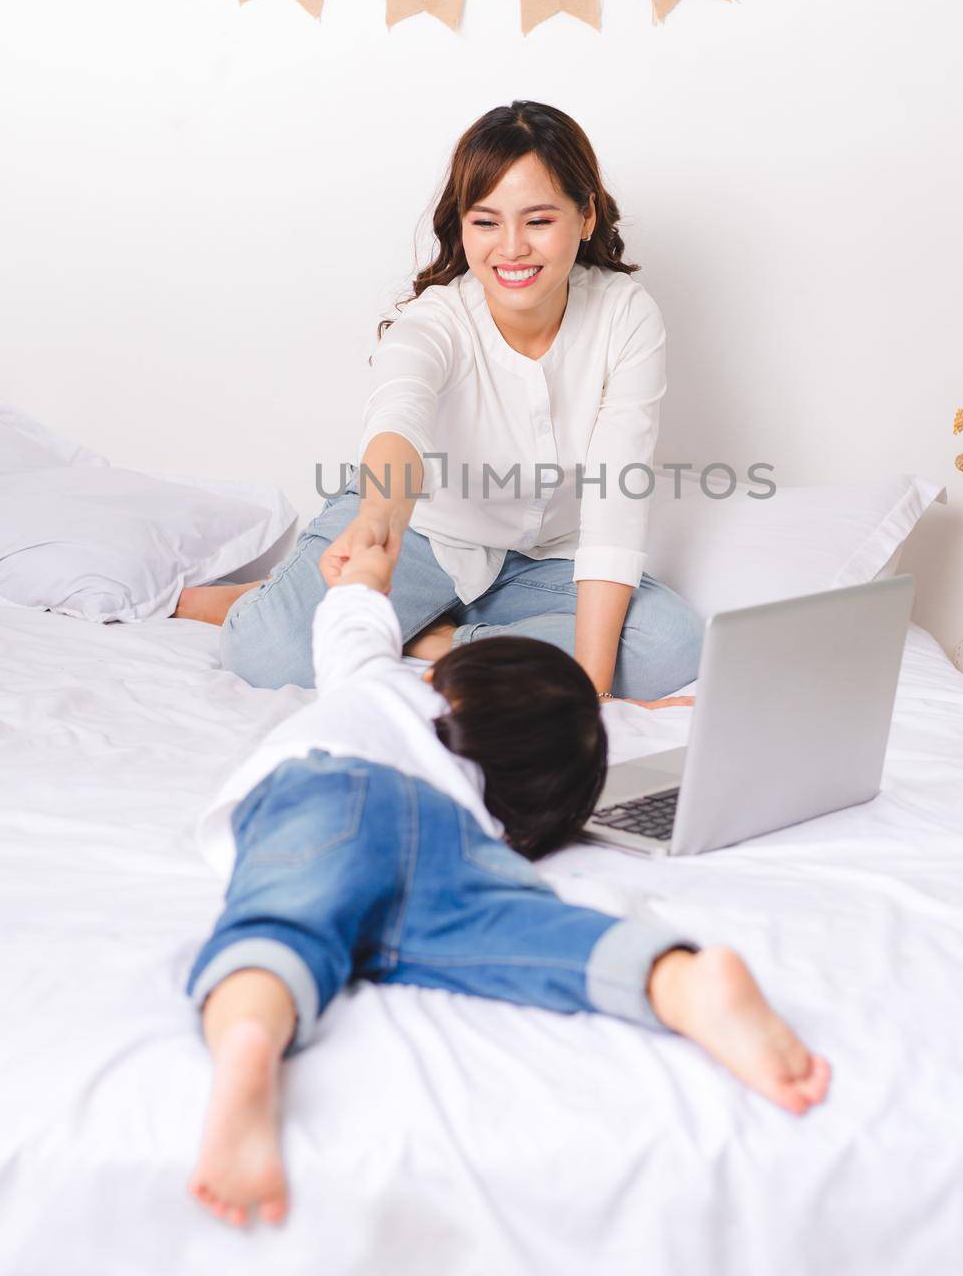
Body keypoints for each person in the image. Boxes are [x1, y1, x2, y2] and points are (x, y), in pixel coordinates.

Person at [186, 524, 831, 1229]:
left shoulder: (376, 683)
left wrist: (365, 574)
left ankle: (251, 1038)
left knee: (285, 918)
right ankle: (676, 982)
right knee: (524, 929)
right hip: (443, 831)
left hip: (320, 791)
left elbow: (350, 622)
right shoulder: (488, 815)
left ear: (442, 680)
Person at [174, 99, 704, 705]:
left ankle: (433, 639)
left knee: (672, 646)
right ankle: (258, 598)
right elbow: (397, 419)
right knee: (269, 653)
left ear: (584, 218)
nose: (512, 249)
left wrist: (591, 690)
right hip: (418, 531)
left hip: (541, 559)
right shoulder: (435, 323)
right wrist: (377, 524)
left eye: (538, 221)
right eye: (485, 222)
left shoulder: (625, 313)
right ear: (460, 226)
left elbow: (615, 495)